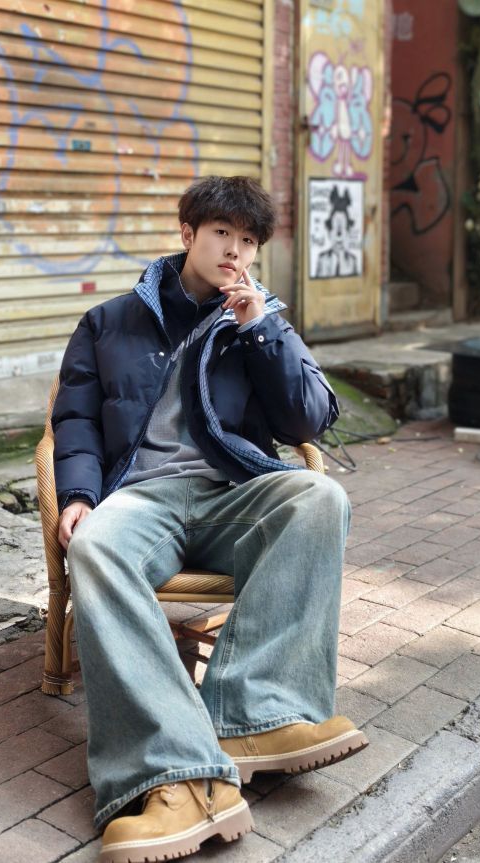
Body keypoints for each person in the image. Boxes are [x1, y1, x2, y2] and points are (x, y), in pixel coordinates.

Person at [52, 175, 368, 863]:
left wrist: (262, 331)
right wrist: (77, 494)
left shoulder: (258, 318)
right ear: (187, 232)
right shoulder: (109, 322)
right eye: (222, 233)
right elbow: (75, 419)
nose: (235, 251)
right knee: (94, 543)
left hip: (230, 493)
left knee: (320, 498)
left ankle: (251, 715)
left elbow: (307, 421)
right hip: (141, 496)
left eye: (248, 241)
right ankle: (171, 769)